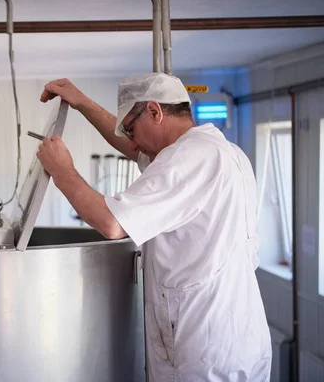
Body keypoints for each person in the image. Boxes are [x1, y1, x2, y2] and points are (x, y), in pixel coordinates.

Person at [36, 73, 272, 381]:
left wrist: (62, 171)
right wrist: (82, 103)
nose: (131, 141)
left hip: (202, 352)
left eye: (131, 129)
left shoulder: (185, 160)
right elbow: (137, 150)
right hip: (241, 341)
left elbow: (112, 223)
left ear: (154, 111)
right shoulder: (225, 152)